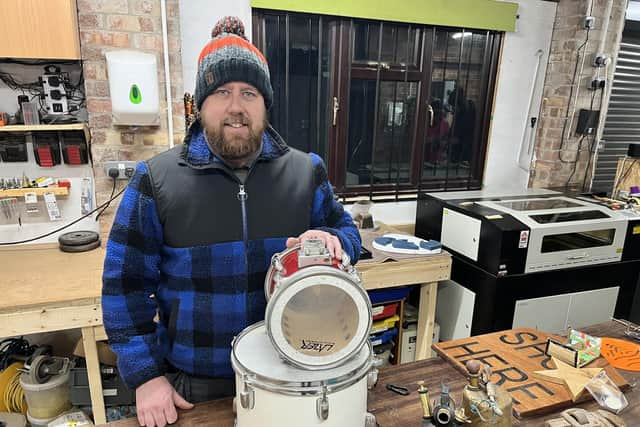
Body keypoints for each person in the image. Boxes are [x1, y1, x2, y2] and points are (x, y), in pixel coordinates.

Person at [102, 16, 361, 427]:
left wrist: (334, 241)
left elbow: (350, 236)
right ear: (200, 104)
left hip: (289, 374)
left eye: (249, 92)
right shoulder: (156, 179)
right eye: (222, 92)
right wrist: (146, 376)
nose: (236, 106)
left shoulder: (305, 171)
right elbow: (124, 289)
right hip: (195, 386)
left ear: (265, 104)